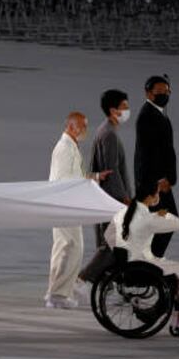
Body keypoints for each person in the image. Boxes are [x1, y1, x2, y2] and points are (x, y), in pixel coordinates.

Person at [105, 182, 179, 328]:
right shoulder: (149, 219)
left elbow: (108, 234)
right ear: (150, 197)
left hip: (128, 265)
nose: (158, 196)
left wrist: (121, 250)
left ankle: (166, 313)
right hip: (143, 266)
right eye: (158, 193)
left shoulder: (122, 213)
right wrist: (165, 214)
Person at [45, 112, 111, 309]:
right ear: (71, 126)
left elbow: (77, 175)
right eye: (82, 126)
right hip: (63, 206)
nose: (85, 130)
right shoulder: (64, 148)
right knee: (68, 248)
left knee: (70, 248)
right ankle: (57, 294)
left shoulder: (71, 146)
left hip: (68, 205)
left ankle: (59, 292)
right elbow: (64, 180)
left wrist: (97, 176)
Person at [78, 89, 132, 285]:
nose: (127, 111)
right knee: (110, 245)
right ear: (113, 110)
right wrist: (125, 197)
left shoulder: (106, 130)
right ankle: (83, 279)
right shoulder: (108, 134)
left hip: (106, 196)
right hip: (111, 198)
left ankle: (107, 282)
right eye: (124, 107)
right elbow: (112, 169)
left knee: (108, 244)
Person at [134, 74, 178, 258]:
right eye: (159, 92)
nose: (163, 95)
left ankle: (149, 259)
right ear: (148, 93)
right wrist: (159, 180)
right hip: (154, 183)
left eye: (166, 92)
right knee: (166, 222)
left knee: (162, 223)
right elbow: (148, 153)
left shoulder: (158, 113)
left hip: (159, 181)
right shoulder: (147, 116)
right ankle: (148, 260)